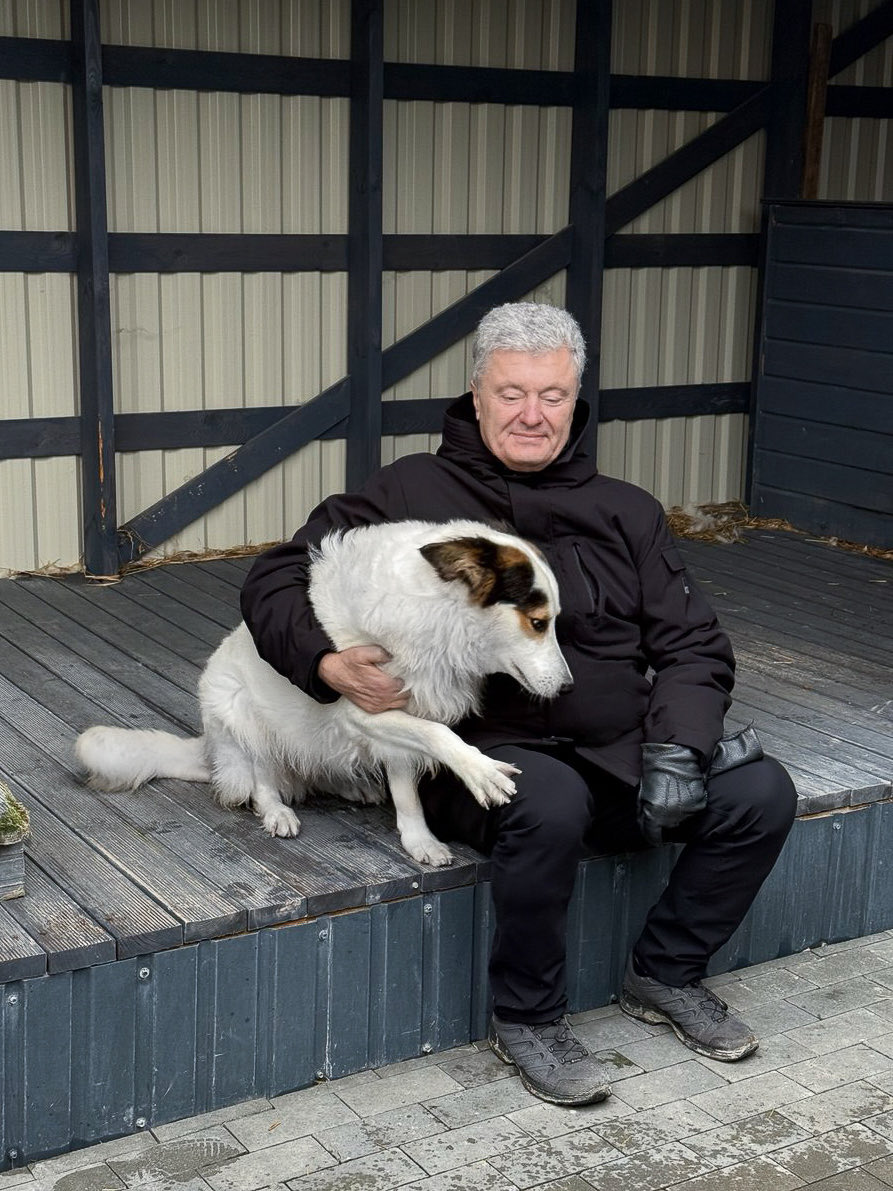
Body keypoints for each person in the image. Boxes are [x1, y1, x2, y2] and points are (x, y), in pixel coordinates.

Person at [240, 302, 798, 1107]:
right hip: (480, 759)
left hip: (618, 747)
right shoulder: (408, 490)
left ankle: (666, 969)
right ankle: (529, 1016)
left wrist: (678, 748)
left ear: (576, 401)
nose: (532, 414)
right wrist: (323, 661)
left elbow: (692, 646)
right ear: (475, 395)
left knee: (758, 791)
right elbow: (275, 572)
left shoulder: (626, 510)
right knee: (548, 798)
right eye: (511, 393)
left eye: (553, 394)